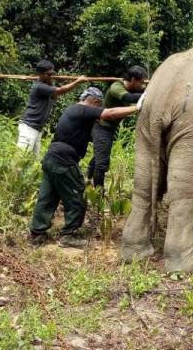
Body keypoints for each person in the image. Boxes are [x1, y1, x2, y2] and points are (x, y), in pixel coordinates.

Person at [29, 87, 142, 248]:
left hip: (51, 157)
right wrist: (137, 108)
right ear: (95, 102)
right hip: (63, 160)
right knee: (78, 194)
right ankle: (69, 235)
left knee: (48, 196)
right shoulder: (82, 109)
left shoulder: (73, 110)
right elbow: (109, 113)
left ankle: (37, 232)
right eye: (98, 106)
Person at [87, 66, 147, 189]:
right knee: (102, 163)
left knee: (100, 155)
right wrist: (147, 94)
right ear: (133, 80)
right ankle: (99, 195)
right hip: (101, 127)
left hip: (109, 128)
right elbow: (129, 98)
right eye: (141, 82)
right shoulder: (117, 87)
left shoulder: (133, 88)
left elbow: (141, 93)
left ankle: (87, 178)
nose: (142, 85)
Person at [17, 59, 87, 156]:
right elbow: (60, 91)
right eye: (48, 74)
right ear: (40, 74)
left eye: (52, 74)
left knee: (33, 160)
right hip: (29, 127)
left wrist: (50, 80)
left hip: (37, 128)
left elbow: (55, 96)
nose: (51, 76)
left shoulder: (47, 86)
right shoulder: (39, 86)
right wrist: (77, 81)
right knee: (22, 158)